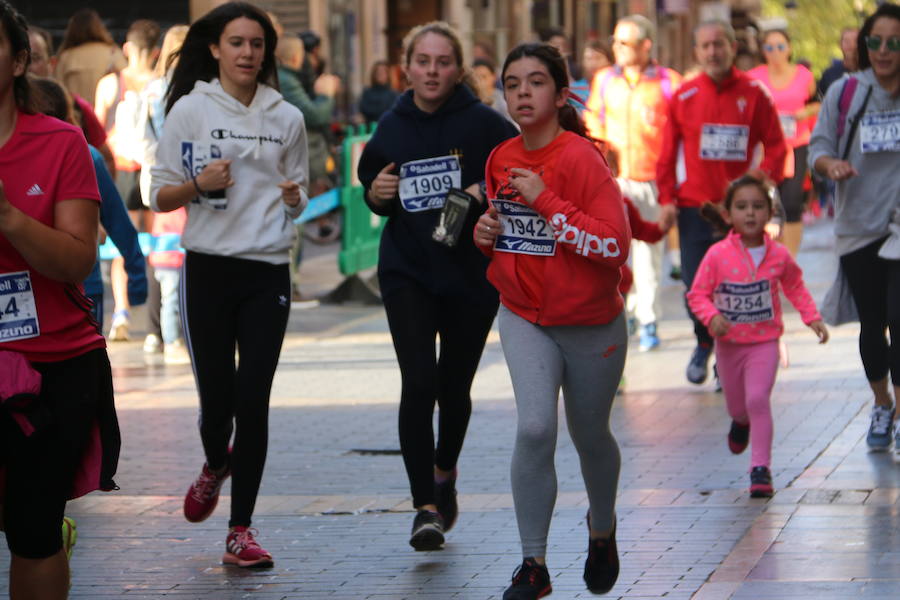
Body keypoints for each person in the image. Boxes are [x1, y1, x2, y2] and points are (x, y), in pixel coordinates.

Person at [150, 2, 309, 568]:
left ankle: (240, 530)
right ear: (215, 49)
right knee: (217, 401)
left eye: (257, 44)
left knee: (254, 399)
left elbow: (300, 196)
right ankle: (215, 461)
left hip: (267, 268)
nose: (248, 53)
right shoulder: (190, 111)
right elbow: (158, 195)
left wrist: (294, 200)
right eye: (237, 43)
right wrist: (197, 183)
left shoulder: (286, 117)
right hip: (209, 267)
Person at [472, 41, 630, 600]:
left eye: (535, 82)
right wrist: (484, 235)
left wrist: (547, 203)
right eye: (512, 83)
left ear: (561, 95)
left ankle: (602, 528)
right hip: (524, 314)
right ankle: (532, 565)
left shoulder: (583, 159)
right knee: (536, 427)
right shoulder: (499, 157)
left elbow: (613, 245)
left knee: (590, 436)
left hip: (591, 323)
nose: (521, 92)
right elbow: (508, 237)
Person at [357, 21, 517, 552]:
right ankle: (423, 506)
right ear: (408, 66)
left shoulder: (485, 124)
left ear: (458, 68)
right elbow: (373, 185)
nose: (431, 71)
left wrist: (480, 190)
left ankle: (445, 470)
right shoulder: (392, 124)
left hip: (470, 273)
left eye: (442, 61)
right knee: (419, 382)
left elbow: (515, 173)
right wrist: (377, 193)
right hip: (407, 270)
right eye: (422, 61)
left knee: (454, 388)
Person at [0, 3, 121, 596]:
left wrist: (7, 216)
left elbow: (77, 260)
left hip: (51, 366)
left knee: (31, 527)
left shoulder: (61, 143)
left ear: (20, 59)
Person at [656, 19, 787, 386]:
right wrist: (666, 199)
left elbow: (776, 145)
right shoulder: (683, 97)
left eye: (719, 44)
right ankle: (703, 341)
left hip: (739, 211)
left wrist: (761, 177)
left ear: (733, 47)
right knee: (696, 286)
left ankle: (725, 360)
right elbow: (666, 155)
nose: (713, 52)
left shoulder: (755, 93)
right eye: (706, 46)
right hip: (695, 208)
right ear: (696, 52)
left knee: (735, 287)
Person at [687, 176, 828, 497]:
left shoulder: (778, 254)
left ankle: (760, 468)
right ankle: (740, 422)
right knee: (739, 406)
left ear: (770, 212)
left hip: (764, 343)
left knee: (757, 400)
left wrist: (812, 317)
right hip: (729, 345)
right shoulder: (718, 255)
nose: (750, 213)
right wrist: (713, 318)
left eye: (757, 207)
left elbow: (794, 285)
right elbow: (697, 295)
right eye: (742, 207)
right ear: (728, 215)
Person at [809, 2, 900, 453]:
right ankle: (882, 402)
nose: (884, 51)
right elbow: (817, 150)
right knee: (874, 323)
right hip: (858, 226)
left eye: (894, 43)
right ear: (865, 46)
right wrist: (832, 165)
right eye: (875, 41)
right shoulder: (845, 93)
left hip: (899, 226)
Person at [585, 15, 682, 352]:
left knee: (649, 255)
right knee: (617, 253)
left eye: (624, 43)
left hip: (655, 181)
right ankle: (625, 310)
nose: (617, 48)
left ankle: (649, 320)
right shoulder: (604, 80)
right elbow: (592, 121)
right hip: (614, 182)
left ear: (646, 45)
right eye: (615, 42)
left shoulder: (670, 83)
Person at [30, 76, 147, 332]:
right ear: (68, 115)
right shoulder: (88, 154)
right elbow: (120, 224)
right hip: (80, 286)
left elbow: (117, 222)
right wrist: (137, 278)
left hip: (50, 287)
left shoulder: (86, 155)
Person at [94, 19, 161, 342]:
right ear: (157, 51)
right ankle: (151, 316)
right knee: (154, 243)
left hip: (119, 169)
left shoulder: (110, 83)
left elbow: (95, 134)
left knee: (124, 240)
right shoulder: (159, 84)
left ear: (126, 48)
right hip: (151, 168)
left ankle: (121, 309)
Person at [274, 32, 340, 298]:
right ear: (296, 56)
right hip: (292, 161)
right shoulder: (287, 81)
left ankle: (292, 280)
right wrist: (326, 96)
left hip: (297, 159)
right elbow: (313, 114)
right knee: (295, 219)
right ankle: (291, 282)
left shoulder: (291, 79)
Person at [138, 24, 189, 356]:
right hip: (184, 182)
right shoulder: (188, 90)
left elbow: (145, 140)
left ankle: (156, 331)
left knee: (162, 262)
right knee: (176, 263)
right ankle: (170, 336)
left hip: (158, 180)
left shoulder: (153, 88)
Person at [748, 30, 819, 257]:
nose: (775, 52)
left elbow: (818, 104)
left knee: (791, 202)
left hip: (796, 145)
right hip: (764, 148)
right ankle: (769, 253)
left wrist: (803, 112)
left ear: (789, 48)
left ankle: (791, 258)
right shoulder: (754, 76)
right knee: (766, 202)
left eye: (780, 47)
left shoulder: (803, 75)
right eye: (769, 48)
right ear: (763, 51)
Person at [54, 8, 126, 106]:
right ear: (99, 27)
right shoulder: (113, 52)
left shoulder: (65, 57)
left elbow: (58, 91)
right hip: (106, 117)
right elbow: (126, 84)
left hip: (76, 117)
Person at [818, 27, 860, 98]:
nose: (852, 45)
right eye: (847, 41)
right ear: (840, 45)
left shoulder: (873, 73)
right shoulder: (829, 74)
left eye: (856, 41)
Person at [568, 39, 612, 106]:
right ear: (583, 62)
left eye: (598, 58)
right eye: (588, 58)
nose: (593, 63)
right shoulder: (574, 89)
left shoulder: (617, 88)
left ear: (609, 61)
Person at [472, 57, 513, 122]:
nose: (480, 81)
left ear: (494, 77)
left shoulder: (503, 101)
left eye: (484, 77)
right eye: (476, 77)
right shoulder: (471, 100)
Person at [358, 59, 399, 124]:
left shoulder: (393, 94)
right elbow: (363, 109)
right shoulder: (367, 92)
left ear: (387, 75)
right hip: (370, 129)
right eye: (377, 72)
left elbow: (390, 112)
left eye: (383, 72)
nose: (380, 74)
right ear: (373, 74)